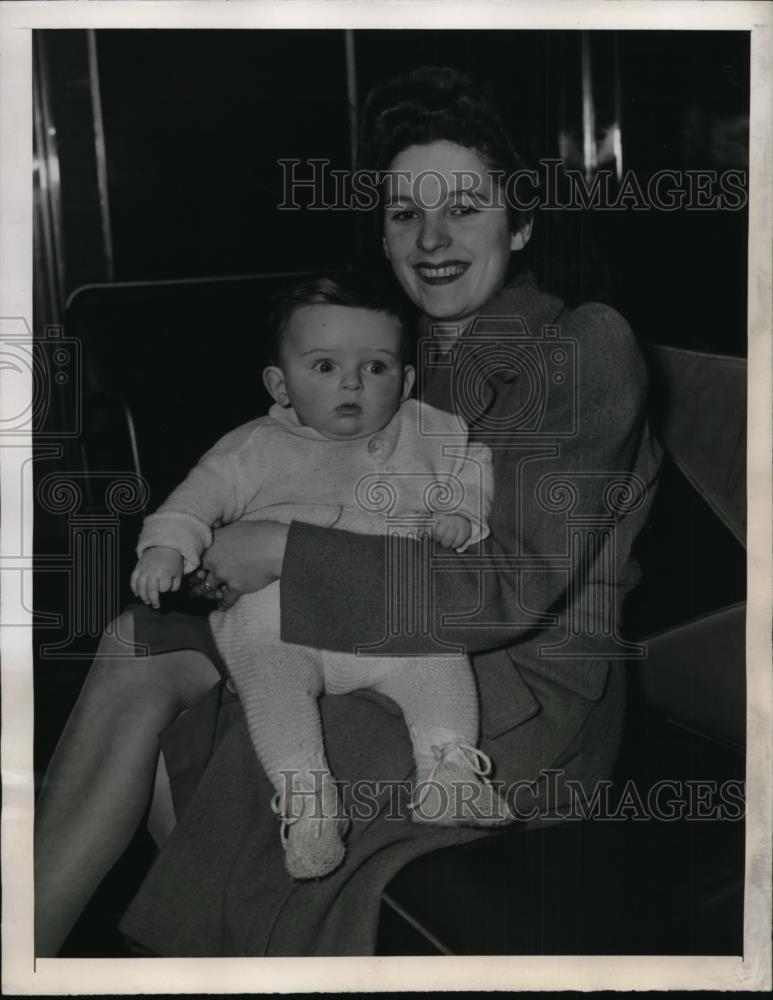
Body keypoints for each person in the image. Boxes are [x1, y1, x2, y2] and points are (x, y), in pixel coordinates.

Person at [34, 66, 662, 957]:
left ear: (519, 224)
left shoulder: (582, 345)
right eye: (405, 213)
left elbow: (507, 592)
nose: (432, 239)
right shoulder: (400, 352)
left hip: (510, 687)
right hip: (359, 627)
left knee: (254, 759)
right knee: (135, 644)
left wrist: (284, 549)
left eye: (465, 208)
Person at [130, 273, 506, 881]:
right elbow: (192, 501)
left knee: (438, 655)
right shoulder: (253, 447)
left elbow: (474, 468)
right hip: (280, 622)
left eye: (376, 367)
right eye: (324, 367)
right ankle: (309, 806)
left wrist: (462, 512)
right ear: (280, 386)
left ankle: (448, 771)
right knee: (272, 686)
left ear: (406, 381)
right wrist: (167, 548)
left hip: (380, 616)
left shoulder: (427, 431)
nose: (352, 382)